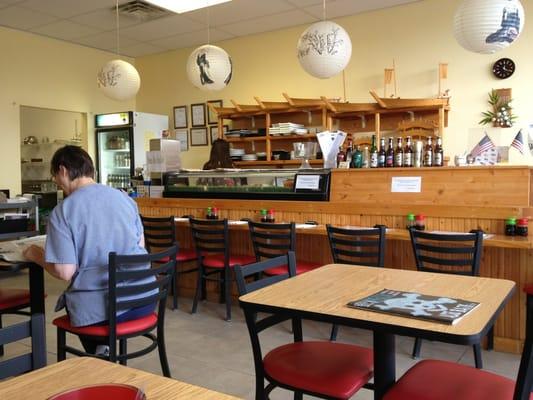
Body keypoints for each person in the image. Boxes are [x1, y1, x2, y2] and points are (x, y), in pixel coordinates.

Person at [24, 145, 154, 355]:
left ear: (63, 171)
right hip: (145, 298)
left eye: (55, 176)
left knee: (77, 300)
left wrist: (34, 253)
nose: (56, 182)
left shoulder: (63, 211)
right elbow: (139, 247)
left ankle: (100, 355)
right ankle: (104, 350)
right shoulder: (125, 199)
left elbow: (65, 271)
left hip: (110, 311)